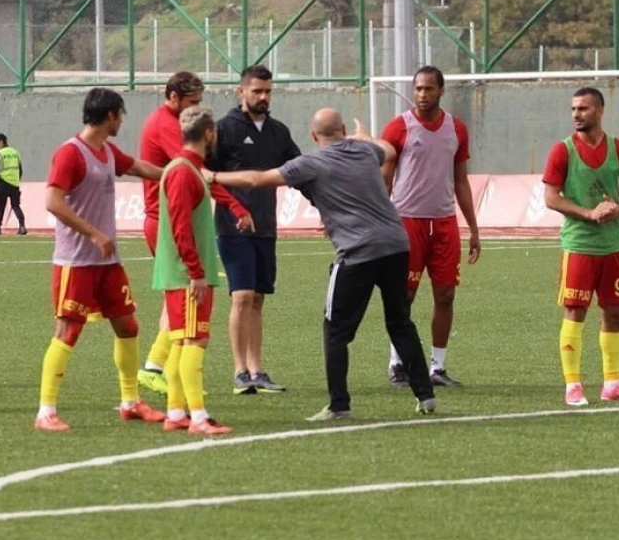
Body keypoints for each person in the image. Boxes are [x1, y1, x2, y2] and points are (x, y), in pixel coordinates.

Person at [206, 108, 437, 420]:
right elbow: (388, 149)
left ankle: (339, 405)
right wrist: (362, 135)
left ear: (314, 137)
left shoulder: (311, 162)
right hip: (396, 245)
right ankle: (426, 396)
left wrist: (214, 176)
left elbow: (258, 179)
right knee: (400, 323)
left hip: (357, 251)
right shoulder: (365, 151)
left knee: (336, 331)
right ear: (343, 128)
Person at [34, 88, 167, 432]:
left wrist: (173, 174)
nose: (123, 120)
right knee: (67, 331)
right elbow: (52, 201)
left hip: (108, 263)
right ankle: (45, 411)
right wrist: (93, 233)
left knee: (128, 325)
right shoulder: (70, 153)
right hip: (75, 262)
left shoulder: (107, 151)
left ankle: (130, 401)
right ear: (110, 115)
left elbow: (137, 166)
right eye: (121, 114)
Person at [138, 71, 252, 396]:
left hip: (167, 218)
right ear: (173, 97)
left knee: (175, 303)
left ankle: (160, 372)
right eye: (192, 102)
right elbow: (195, 174)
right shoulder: (167, 127)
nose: (196, 107)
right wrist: (235, 206)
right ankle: (158, 370)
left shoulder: (167, 121)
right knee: (185, 301)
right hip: (167, 221)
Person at [542, 87, 619, 407]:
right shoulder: (562, 151)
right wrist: (589, 213)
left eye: (583, 109)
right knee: (576, 311)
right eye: (573, 109)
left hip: (613, 245)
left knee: (615, 312)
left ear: (600, 111)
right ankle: (572, 385)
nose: (576, 114)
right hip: (579, 245)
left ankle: (612, 382)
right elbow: (551, 198)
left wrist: (617, 210)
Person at [380, 65, 481, 389]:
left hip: (444, 223)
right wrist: (382, 218)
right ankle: (398, 364)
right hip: (407, 221)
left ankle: (437, 367)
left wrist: (474, 229)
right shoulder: (398, 127)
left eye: (429, 89)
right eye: (418, 89)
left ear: (441, 90)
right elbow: (384, 177)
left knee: (446, 294)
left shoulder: (457, 129)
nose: (422, 95)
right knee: (404, 295)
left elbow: (461, 180)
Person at [210, 64, 301, 395]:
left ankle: (256, 369)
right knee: (242, 295)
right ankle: (239, 372)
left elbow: (299, 170)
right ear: (241, 92)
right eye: (256, 91)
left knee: (258, 298)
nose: (263, 97)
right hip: (232, 227)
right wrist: (234, 206)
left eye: (267, 91)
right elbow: (207, 175)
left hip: (266, 226)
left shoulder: (278, 132)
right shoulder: (224, 129)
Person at [153, 106, 234, 435]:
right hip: (187, 276)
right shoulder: (184, 172)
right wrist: (196, 272)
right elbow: (180, 226)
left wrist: (237, 207)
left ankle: (176, 412)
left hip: (184, 274)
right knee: (194, 341)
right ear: (209, 133)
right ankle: (198, 417)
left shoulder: (189, 168)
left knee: (181, 342)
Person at [0, 133, 27, 236]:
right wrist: (15, 180)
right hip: (14, 184)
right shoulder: (16, 152)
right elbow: (20, 170)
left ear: (1, 142)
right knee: (16, 205)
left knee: (0, 207)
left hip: (2, 183)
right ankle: (22, 226)